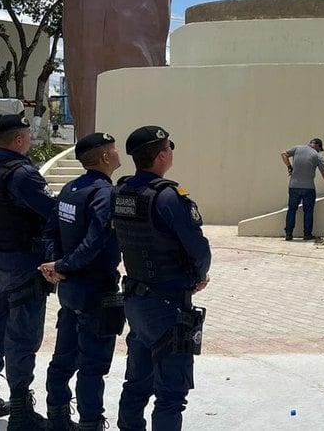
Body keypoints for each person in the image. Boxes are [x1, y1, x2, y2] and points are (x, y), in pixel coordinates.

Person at [113, 126, 211, 431]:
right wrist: (199, 275)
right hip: (168, 307)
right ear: (162, 155)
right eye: (169, 147)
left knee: (136, 383)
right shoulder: (169, 197)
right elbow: (198, 249)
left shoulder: (122, 191)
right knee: (170, 394)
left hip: (136, 300)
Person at [0, 113, 58, 429]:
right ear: (19, 139)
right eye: (28, 136)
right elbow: (53, 211)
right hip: (23, 263)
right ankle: (21, 412)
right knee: (21, 337)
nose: (30, 141)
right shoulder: (22, 174)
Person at [39, 132, 123, 431]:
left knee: (63, 357)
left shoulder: (70, 189)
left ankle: (57, 417)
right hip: (95, 290)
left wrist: (58, 266)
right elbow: (95, 242)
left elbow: (50, 233)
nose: (116, 153)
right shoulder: (104, 193)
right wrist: (62, 265)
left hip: (70, 288)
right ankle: (90, 423)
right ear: (104, 157)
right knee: (92, 366)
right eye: (113, 150)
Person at [280, 138, 324, 240]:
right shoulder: (317, 155)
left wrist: (289, 166)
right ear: (318, 145)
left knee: (292, 210)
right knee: (308, 211)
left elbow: (283, 154)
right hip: (309, 188)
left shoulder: (297, 148)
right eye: (319, 149)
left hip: (294, 186)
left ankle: (288, 234)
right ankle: (307, 234)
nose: (319, 151)